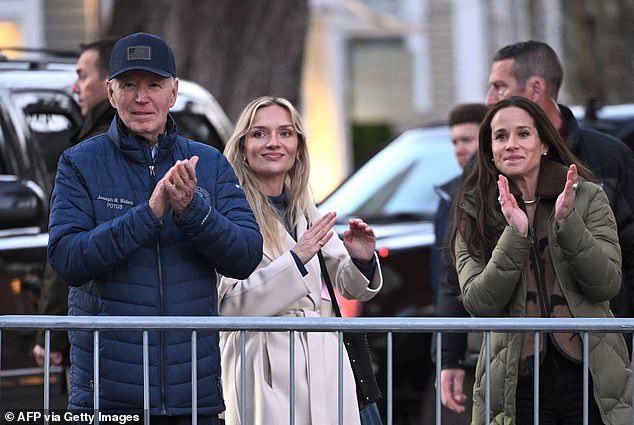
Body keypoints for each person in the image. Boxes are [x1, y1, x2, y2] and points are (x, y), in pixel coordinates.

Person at [47, 32, 263, 423]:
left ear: (174, 92)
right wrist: (149, 215)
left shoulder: (209, 164)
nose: (141, 98)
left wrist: (193, 211)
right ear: (111, 94)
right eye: (129, 85)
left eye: (154, 85)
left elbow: (247, 256)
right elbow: (67, 260)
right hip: (107, 402)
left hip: (194, 399)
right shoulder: (79, 163)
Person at [451, 96, 631, 424]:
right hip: (515, 380)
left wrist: (567, 223)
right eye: (501, 136)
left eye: (523, 134)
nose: (511, 144)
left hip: (589, 374)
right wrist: (515, 234)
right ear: (489, 150)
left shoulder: (587, 196)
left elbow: (606, 283)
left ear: (544, 143)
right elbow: (479, 301)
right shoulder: (474, 209)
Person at [218, 96, 383, 425]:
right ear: (242, 145)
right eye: (259, 133)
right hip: (261, 366)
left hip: (325, 364)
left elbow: (352, 289)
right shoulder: (227, 212)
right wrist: (296, 259)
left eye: (285, 133)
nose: (274, 143)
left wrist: (363, 259)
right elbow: (228, 306)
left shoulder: (306, 210)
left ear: (298, 147)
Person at [485, 40, 634, 324]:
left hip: (601, 345)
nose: (490, 99)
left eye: (500, 86)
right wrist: (449, 353)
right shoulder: (486, 166)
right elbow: (462, 271)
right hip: (519, 353)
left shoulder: (608, 157)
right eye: (501, 137)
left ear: (536, 89)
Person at [32, 37, 117, 370]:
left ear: (110, 83)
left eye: (83, 75)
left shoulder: (93, 151)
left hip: (95, 326)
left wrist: (52, 327)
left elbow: (68, 249)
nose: (75, 85)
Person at [433, 103, 487, 422]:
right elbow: (445, 274)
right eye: (454, 142)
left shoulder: (482, 194)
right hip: (454, 333)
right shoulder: (450, 195)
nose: (460, 149)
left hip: (481, 339)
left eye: (468, 139)